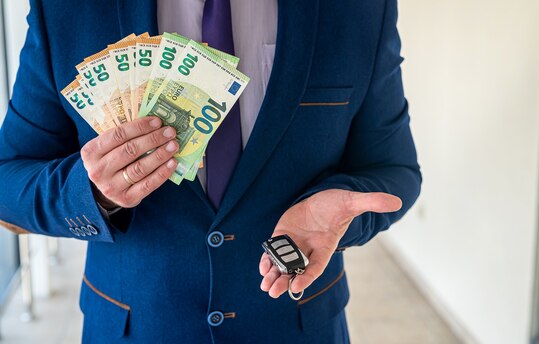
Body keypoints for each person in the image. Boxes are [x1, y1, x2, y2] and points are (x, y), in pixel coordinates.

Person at [0, 0, 422, 342]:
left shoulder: (359, 9)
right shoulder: (66, 10)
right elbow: (8, 181)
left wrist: (342, 217)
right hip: (136, 330)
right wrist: (90, 193)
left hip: (297, 329)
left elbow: (393, 170)